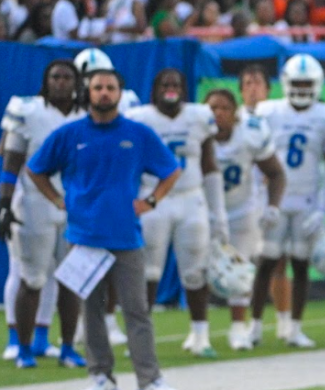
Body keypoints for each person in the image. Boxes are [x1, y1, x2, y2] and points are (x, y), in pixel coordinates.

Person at [26, 68, 182, 390]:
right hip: (84, 237)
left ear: (120, 93)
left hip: (127, 236)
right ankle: (101, 377)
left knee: (136, 310)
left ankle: (149, 379)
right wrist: (56, 199)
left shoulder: (138, 134)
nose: (104, 93)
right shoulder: (69, 134)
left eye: (110, 87)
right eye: (97, 87)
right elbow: (35, 168)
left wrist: (152, 200)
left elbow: (171, 169)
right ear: (88, 91)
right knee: (92, 310)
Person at [126, 69, 227, 357]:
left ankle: (200, 335)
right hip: (153, 200)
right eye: (165, 84)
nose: (171, 88)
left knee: (196, 271)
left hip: (190, 198)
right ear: (155, 88)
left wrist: (217, 212)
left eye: (176, 84)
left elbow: (209, 165)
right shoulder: (140, 119)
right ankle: (141, 337)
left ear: (184, 88)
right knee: (147, 272)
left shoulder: (198, 116)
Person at [0, 60, 85, 370]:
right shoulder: (29, 111)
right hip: (35, 201)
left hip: (75, 204)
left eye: (67, 77)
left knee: (71, 279)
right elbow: (12, 159)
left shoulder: (86, 115)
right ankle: (23, 347)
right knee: (32, 278)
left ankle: (67, 347)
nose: (61, 82)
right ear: (46, 81)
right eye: (55, 77)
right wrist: (5, 204)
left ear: (77, 82)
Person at [250, 54, 325, 348]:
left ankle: (295, 327)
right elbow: (255, 161)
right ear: (286, 83)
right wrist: (259, 201)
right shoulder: (269, 112)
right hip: (276, 199)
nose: (301, 88)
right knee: (267, 263)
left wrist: (323, 209)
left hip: (307, 201)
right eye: (296, 83)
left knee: (300, 265)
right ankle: (255, 326)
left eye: (306, 83)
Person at [205, 89, 286, 350]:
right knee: (195, 271)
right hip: (204, 210)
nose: (217, 113)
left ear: (235, 114)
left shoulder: (250, 133)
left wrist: (272, 206)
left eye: (224, 108)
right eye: (212, 108)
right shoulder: (195, 132)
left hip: (241, 210)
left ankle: (238, 328)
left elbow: (276, 173)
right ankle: (199, 332)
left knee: (240, 271)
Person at [73, 47, 142, 348]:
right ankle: (73, 326)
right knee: (77, 266)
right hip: (80, 191)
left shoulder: (127, 105)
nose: (99, 89)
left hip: (116, 191)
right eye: (90, 81)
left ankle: (108, 320)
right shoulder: (65, 107)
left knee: (112, 263)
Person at [239, 64, 294, 342]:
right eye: (247, 83)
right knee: (247, 263)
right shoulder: (235, 120)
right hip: (244, 200)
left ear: (268, 88)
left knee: (277, 260)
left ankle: (284, 322)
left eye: (257, 82)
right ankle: (249, 324)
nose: (252, 88)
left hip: (272, 196)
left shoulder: (273, 115)